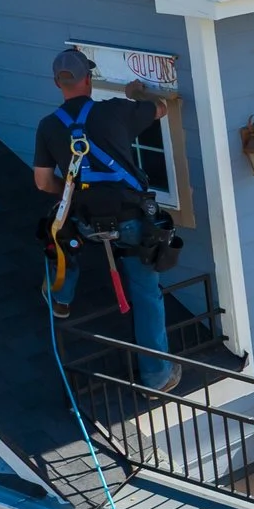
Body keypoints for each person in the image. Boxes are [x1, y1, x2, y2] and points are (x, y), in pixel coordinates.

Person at [34, 47, 179, 390]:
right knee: (145, 292)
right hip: (130, 221)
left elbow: (42, 182)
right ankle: (157, 376)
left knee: (60, 238)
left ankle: (61, 299)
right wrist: (137, 95)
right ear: (88, 79)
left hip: (85, 221)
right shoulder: (116, 112)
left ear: (58, 83)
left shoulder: (48, 126)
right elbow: (162, 107)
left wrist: (70, 195)